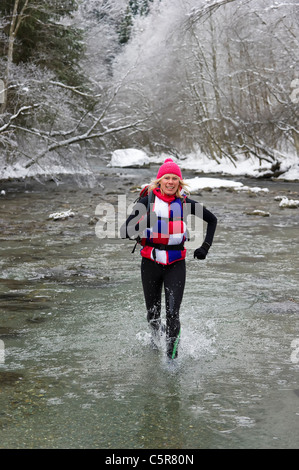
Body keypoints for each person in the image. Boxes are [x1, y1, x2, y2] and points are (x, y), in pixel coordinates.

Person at [121, 158, 217, 360]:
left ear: (180, 183)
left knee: (173, 314)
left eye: (175, 178)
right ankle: (156, 342)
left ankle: (171, 359)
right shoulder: (146, 202)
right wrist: (146, 220)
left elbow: (212, 220)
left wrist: (204, 247)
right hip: (150, 264)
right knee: (153, 315)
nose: (171, 182)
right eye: (167, 178)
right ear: (160, 181)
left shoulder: (185, 204)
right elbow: (125, 231)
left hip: (175, 265)